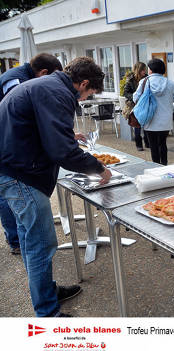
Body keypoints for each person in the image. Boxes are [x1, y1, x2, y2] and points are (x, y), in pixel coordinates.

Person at [0, 56, 112, 316]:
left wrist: (66, 133)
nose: (84, 100)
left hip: (10, 167)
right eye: (88, 94)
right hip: (20, 174)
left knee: (30, 240)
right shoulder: (58, 93)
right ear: (83, 83)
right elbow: (63, 152)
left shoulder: (47, 84)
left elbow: (36, 125)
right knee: (40, 243)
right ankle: (48, 313)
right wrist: (99, 168)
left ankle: (46, 292)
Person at [0, 53, 63, 255]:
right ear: (43, 73)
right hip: (12, 161)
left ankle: (20, 239)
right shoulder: (18, 82)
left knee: (24, 224)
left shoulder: (25, 77)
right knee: (39, 240)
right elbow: (23, 119)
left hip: (10, 155)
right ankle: (16, 241)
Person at [134, 58, 174, 165]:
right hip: (165, 121)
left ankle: (156, 168)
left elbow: (135, 98)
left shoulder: (144, 82)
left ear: (151, 70)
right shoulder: (170, 83)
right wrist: (172, 110)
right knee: (163, 144)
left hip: (149, 120)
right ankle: (164, 165)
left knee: (153, 146)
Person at [123, 62, 149, 151]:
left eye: (145, 70)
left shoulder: (147, 78)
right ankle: (139, 144)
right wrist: (135, 98)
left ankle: (147, 142)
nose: (144, 71)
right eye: (143, 70)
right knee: (137, 126)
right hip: (135, 106)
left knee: (146, 125)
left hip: (145, 105)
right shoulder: (130, 80)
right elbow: (125, 93)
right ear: (138, 70)